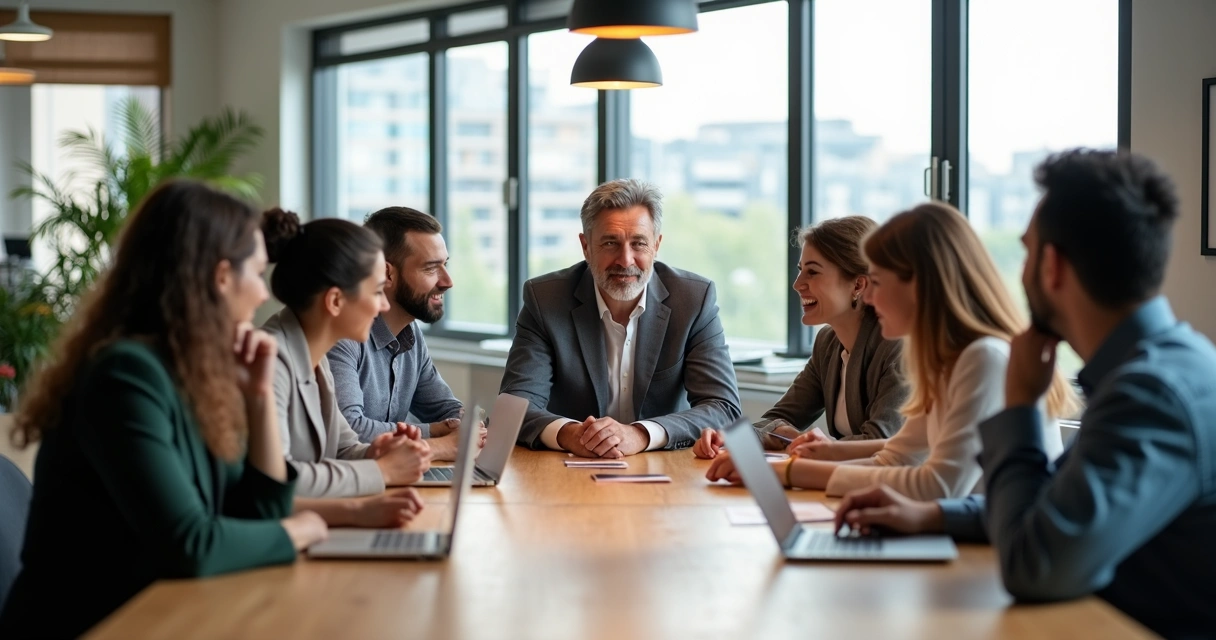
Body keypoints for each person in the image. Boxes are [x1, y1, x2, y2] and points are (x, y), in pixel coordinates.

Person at [833, 150, 1216, 638]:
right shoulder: (1160, 365)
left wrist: (1018, 409)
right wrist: (931, 515)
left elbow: (1032, 565)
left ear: (1052, 266)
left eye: (1028, 252)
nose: (1020, 270)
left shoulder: (1150, 394)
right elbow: (1054, 501)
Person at [0, 181, 328, 637]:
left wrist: (258, 403)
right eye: (255, 273)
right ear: (219, 277)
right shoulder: (124, 376)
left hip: (165, 611)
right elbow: (191, 544)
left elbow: (255, 515)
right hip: (95, 625)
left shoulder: (192, 372)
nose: (263, 294)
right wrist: (301, 531)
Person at [707, 201, 1075, 499]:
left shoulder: (983, 358)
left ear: (919, 286)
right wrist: (805, 461)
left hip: (997, 551)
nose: (869, 296)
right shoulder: (946, 360)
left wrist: (787, 471)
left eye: (878, 282)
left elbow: (936, 485)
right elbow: (896, 456)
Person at [500, 178, 741, 457]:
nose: (625, 260)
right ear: (586, 246)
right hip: (570, 468)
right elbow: (515, 407)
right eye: (610, 243)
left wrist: (641, 433)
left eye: (638, 244)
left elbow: (723, 408)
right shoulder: (545, 299)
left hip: (666, 470)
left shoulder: (693, 300)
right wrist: (569, 434)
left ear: (657, 245)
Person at [693, 216, 908, 461]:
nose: (797, 284)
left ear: (858, 284)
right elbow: (775, 420)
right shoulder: (828, 343)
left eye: (813, 272)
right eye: (800, 271)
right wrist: (729, 437)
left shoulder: (899, 347)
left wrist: (804, 442)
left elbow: (880, 443)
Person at [260, 208, 433, 503]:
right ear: (336, 301)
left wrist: (375, 451)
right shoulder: (270, 362)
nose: (384, 307)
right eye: (377, 292)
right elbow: (278, 480)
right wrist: (382, 471)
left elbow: (344, 448)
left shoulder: (315, 357)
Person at [328, 206, 485, 462]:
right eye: (431, 268)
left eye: (445, 265)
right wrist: (434, 433)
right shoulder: (343, 335)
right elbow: (350, 430)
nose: (447, 281)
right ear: (387, 273)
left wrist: (469, 425)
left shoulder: (410, 333)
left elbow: (443, 408)